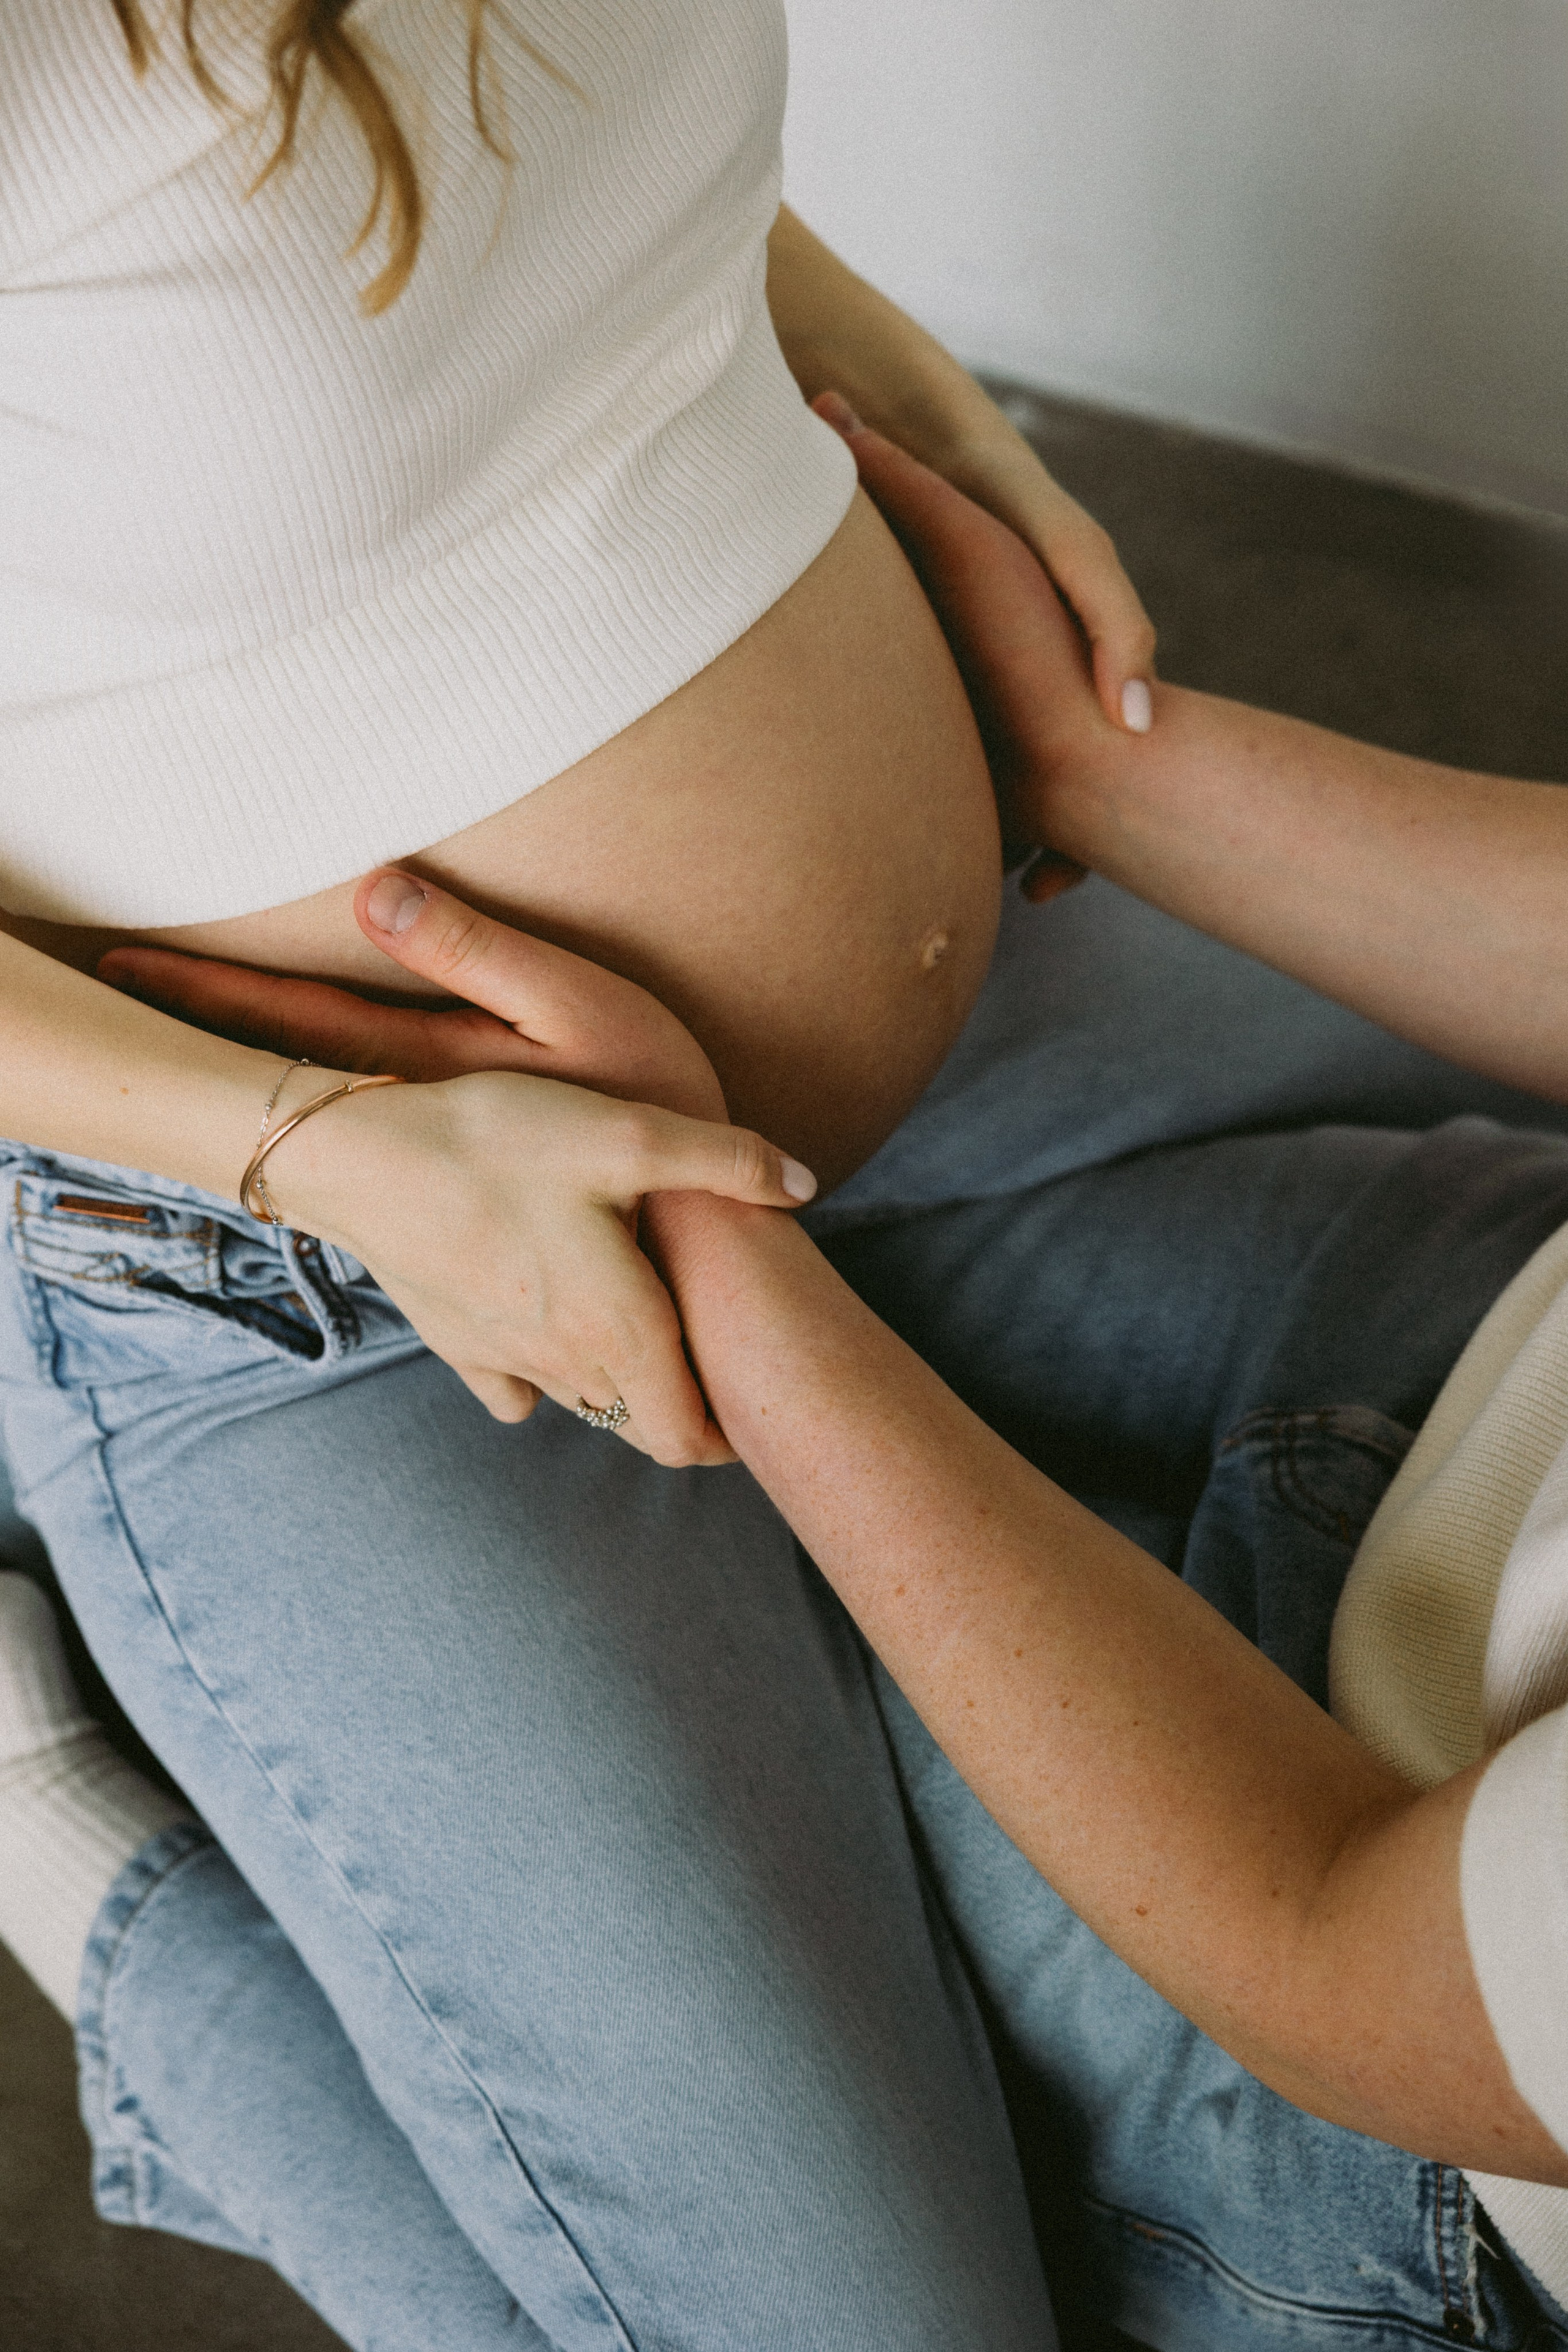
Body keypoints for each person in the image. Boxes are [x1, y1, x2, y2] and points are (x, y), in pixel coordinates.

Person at [4, 6, 1565, 2345]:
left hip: (925, 1063)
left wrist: (893, 387)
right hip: (346, 1250)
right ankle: (66, 1829)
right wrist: (306, 1138)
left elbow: (522, 167)